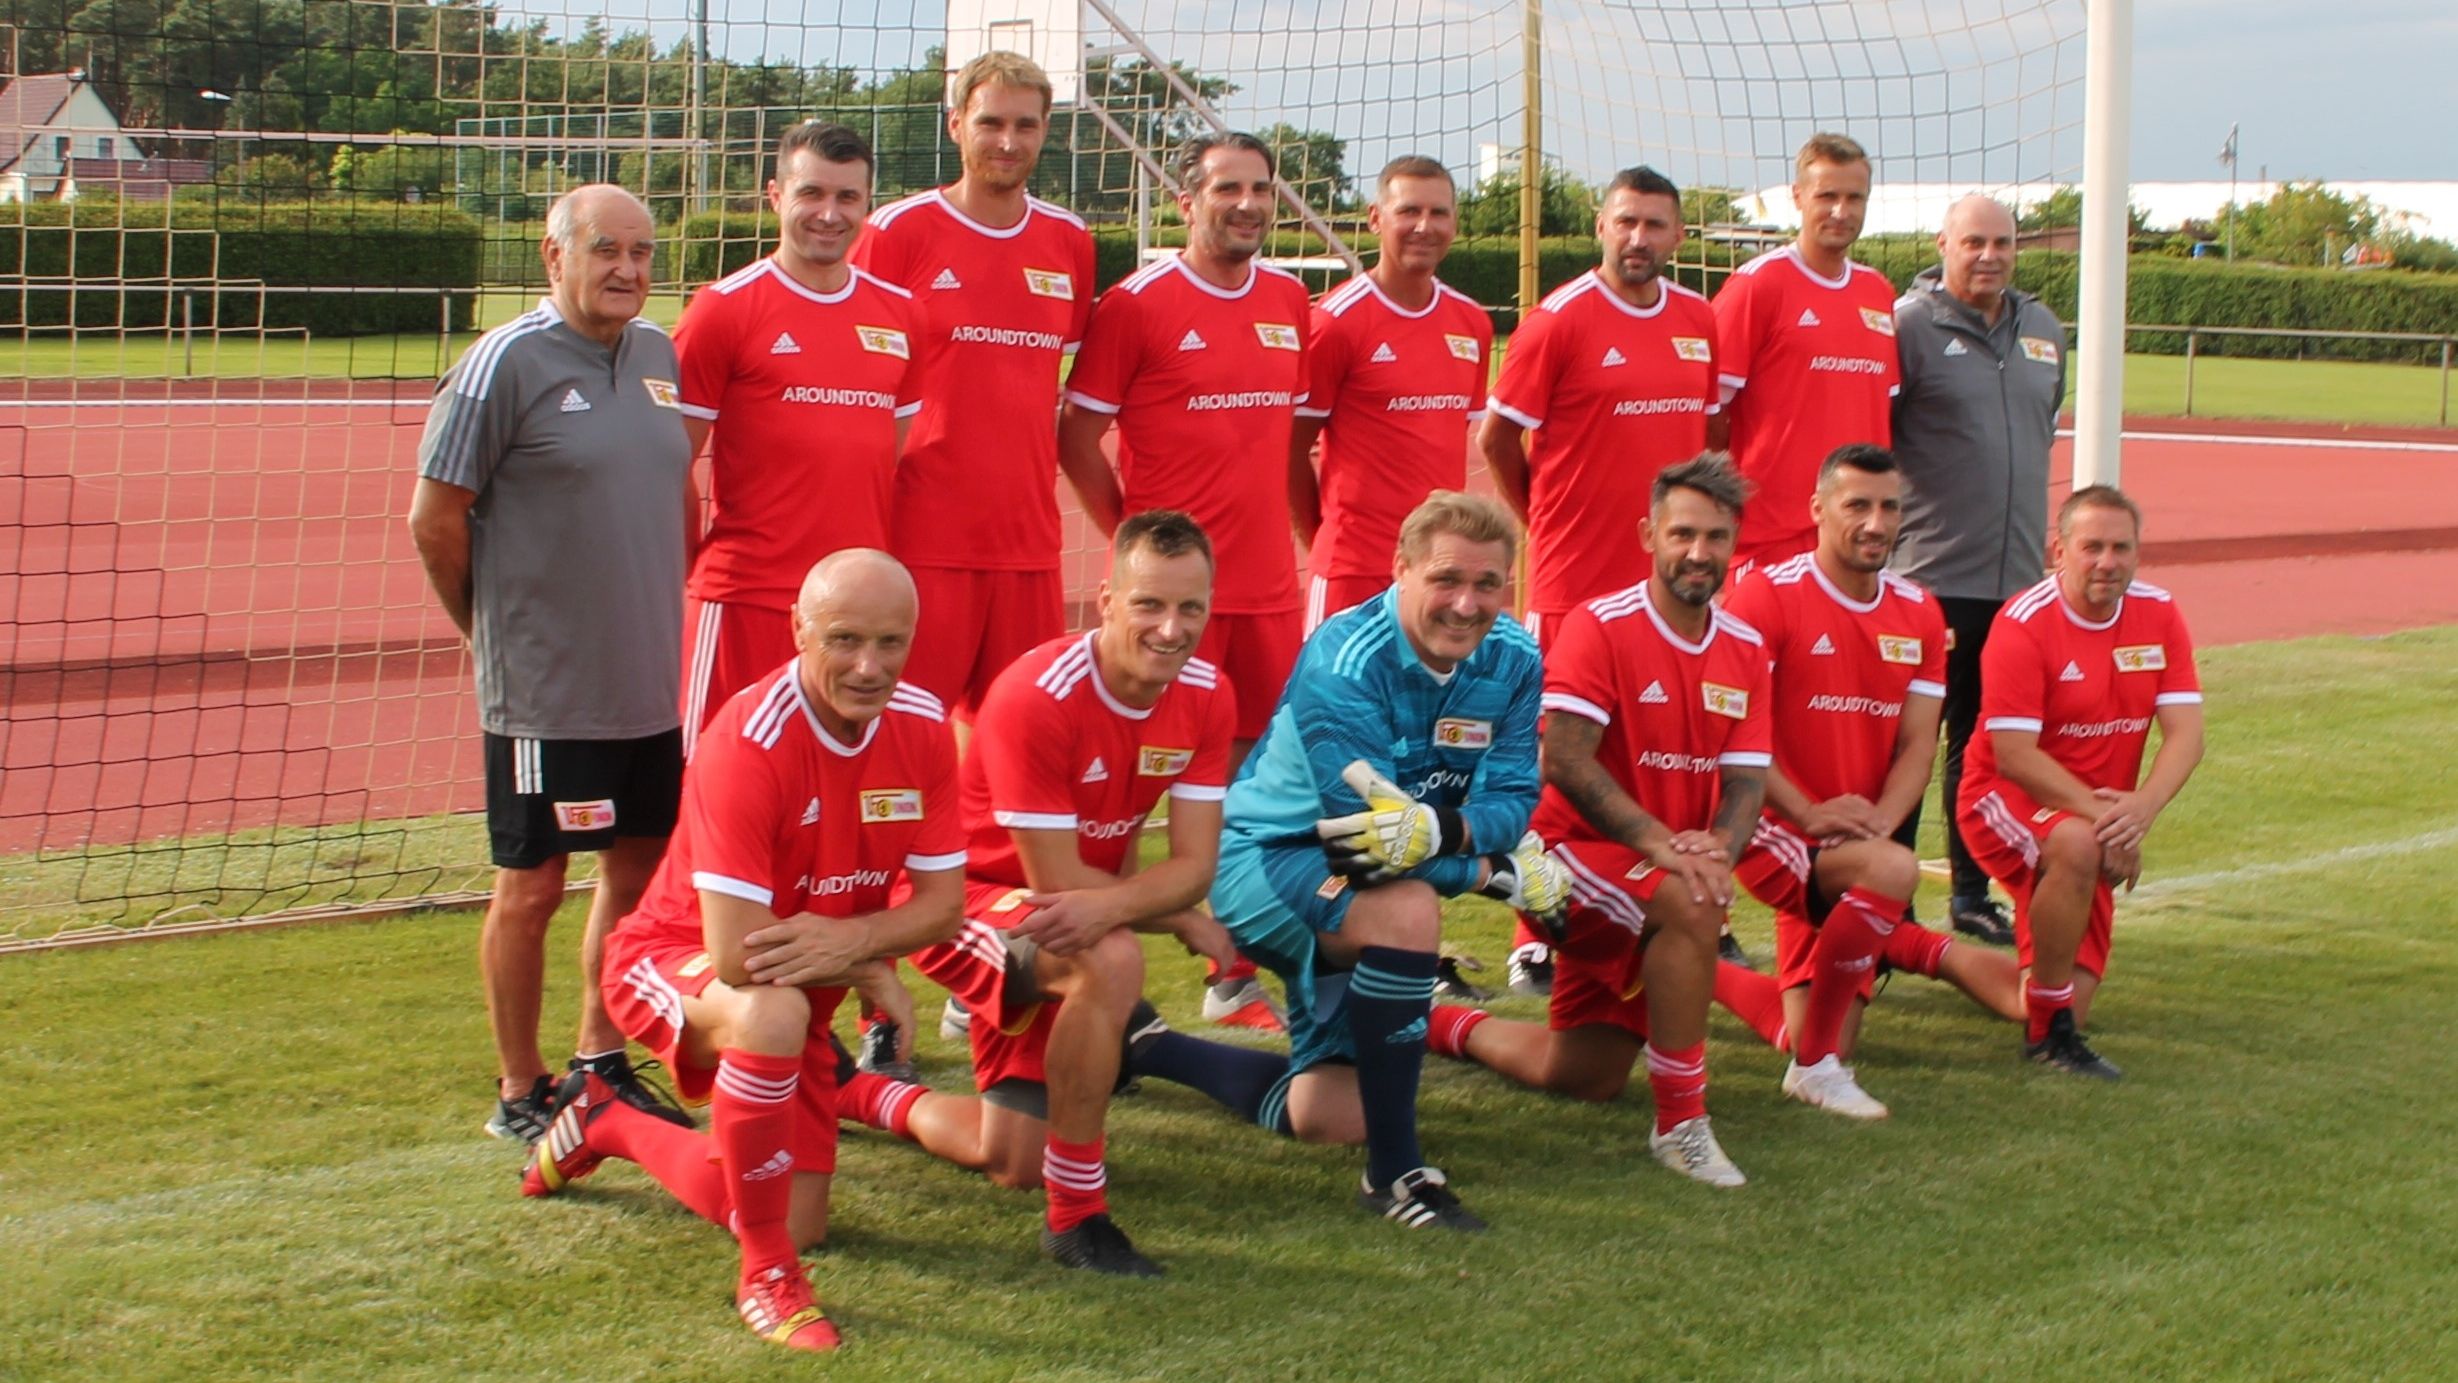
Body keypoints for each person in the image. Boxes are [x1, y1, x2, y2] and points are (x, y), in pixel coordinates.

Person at [519, 550, 965, 1353]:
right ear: (798, 630)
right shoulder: (749, 738)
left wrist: (859, 944)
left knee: (801, 1216)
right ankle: (766, 1275)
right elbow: (734, 954)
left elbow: (943, 906)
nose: (870, 667)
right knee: (770, 1011)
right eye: (845, 639)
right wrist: (866, 964)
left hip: (799, 982)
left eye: (891, 642)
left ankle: (608, 1121)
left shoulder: (925, 726)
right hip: (671, 957)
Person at [831, 511, 1241, 1276]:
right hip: (960, 901)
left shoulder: (1209, 694)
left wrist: (1162, 902)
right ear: (1106, 600)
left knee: (1012, 1158)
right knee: (1111, 957)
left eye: (1191, 607)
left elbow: (1194, 865)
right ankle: (1077, 1216)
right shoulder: (1037, 694)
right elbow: (1056, 880)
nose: (1171, 628)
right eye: (1149, 603)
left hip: (1057, 919)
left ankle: (850, 1092)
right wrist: (1171, 915)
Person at [408, 184, 694, 1143]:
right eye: (607, 249)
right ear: (554, 254)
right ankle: (520, 1088)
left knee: (637, 870)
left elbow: (670, 492)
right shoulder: (503, 362)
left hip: (645, 678)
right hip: (543, 688)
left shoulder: (657, 354)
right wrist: (487, 631)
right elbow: (434, 519)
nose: (627, 269)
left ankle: (599, 1059)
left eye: (642, 253)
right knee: (531, 883)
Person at [1206, 491, 1567, 1231]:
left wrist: (1441, 830)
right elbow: (1362, 845)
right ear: (1400, 569)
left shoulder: (1515, 655)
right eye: (1445, 579)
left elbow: (1511, 798)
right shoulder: (1344, 659)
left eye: (1488, 584)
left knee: (1329, 1115)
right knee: (1406, 911)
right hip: (1268, 859)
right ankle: (1396, 1175)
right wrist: (1489, 872)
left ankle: (1146, 1046)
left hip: (1365, 873)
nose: (1467, 604)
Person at [1430, 456, 1769, 1188]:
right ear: (1649, 535)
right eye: (1682, 534)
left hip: (1656, 870)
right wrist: (1662, 845)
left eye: (1715, 536)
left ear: (1735, 541)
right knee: (1692, 901)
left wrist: (1720, 845)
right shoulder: (1602, 625)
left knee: (1583, 1073)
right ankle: (1682, 1125)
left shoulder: (1744, 648)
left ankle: (1436, 1024)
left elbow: (1746, 781)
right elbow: (1565, 759)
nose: (1699, 552)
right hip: (1565, 857)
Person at [1058, 129, 1313, 1028]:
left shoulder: (1289, 298)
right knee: (1118, 794)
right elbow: (1076, 438)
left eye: (1260, 189)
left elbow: (1283, 441)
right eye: (1226, 189)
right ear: (1186, 202)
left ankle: (1231, 973)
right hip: (1172, 608)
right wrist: (1138, 551)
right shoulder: (1136, 304)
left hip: (1268, 595)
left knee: (1250, 790)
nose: (1246, 204)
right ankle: (1054, 964)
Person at [1708, 446, 2025, 1117]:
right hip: (1770, 823)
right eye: (1857, 505)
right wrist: (1808, 811)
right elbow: (1735, 735)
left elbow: (1918, 742)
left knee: (1814, 1024)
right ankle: (1818, 1069)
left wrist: (1881, 822)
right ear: (1818, 510)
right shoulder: (1767, 595)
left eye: (1889, 507)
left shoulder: (1919, 611)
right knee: (1889, 873)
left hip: (1852, 837)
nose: (1876, 523)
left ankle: (1683, 964)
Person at [1478, 164, 1720, 994]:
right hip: (1574, 584)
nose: (1638, 238)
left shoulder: (1699, 320)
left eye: (1654, 224)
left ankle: (1672, 909)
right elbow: (1496, 439)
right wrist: (1543, 520)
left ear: (1677, 234)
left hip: (1670, 594)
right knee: (1556, 761)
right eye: (1625, 221)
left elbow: (1707, 439)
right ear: (1601, 226)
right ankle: (1535, 932)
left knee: (1669, 752)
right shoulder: (1558, 321)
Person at [852, 51, 1095, 729]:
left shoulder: (1069, 240)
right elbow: (857, 379)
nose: (1008, 141)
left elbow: (1052, 379)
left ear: (1046, 129)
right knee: (904, 737)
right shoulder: (897, 232)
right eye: (991, 122)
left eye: (1025, 124)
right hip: (922, 538)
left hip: (1029, 543)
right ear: (956, 123)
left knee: (1020, 738)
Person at [671, 121, 923, 754]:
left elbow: (884, 456)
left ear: (867, 204)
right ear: (776, 195)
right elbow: (668, 465)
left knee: (826, 783)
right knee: (711, 782)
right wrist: (695, 571)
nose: (829, 214)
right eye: (812, 193)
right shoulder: (722, 309)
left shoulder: (902, 315)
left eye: (848, 197)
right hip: (745, 601)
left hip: (851, 618)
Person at [1957, 486, 2205, 1079]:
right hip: (2004, 799)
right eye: (2092, 547)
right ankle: (2050, 1038)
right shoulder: (2024, 623)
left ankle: (1917, 949)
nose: (2107, 562)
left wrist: (2140, 810)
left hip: (2095, 820)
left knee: (2056, 994)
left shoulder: (2159, 613)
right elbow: (2014, 757)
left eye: (2121, 548)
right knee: (2074, 844)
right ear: (2059, 551)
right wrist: (2108, 822)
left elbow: (2188, 736)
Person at [1888, 194, 2070, 949]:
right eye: (1974, 242)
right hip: (1929, 578)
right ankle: (1889, 899)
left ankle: (1970, 892)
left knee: (1986, 747)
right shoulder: (1908, 327)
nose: (1990, 255)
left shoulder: (2045, 329)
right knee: (1908, 745)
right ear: (1944, 244)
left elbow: (2042, 425)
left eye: (2002, 242)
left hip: (2016, 585)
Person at [1290, 155, 1493, 632]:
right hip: (1353, 571)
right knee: (1337, 685)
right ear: (1376, 218)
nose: (1424, 226)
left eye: (1438, 213)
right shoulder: (1335, 322)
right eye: (1409, 211)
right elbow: (1290, 449)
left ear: (1454, 223)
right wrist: (1326, 545)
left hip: (1440, 572)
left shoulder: (1472, 323)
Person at [1709, 133, 1899, 574]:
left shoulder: (1877, 291)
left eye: (1854, 198)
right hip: (1770, 541)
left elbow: (1878, 409)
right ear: (1798, 197)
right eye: (1827, 196)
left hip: (1857, 539)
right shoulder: (1757, 286)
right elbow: (1706, 412)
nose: (1841, 211)